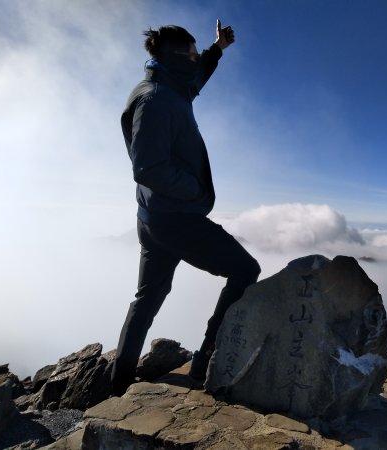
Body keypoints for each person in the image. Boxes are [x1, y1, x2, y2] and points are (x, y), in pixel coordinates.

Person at [111, 20, 260, 396]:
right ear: (175, 57)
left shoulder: (172, 87)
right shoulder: (156, 99)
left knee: (147, 298)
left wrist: (217, 49)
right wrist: (193, 189)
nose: (196, 60)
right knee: (245, 269)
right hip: (176, 219)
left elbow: (196, 78)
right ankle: (206, 359)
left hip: (154, 217)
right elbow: (147, 167)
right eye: (191, 53)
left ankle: (120, 383)